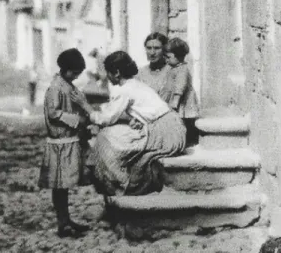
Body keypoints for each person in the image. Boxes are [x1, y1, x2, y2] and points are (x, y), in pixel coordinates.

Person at [71, 51, 187, 197]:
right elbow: (142, 111)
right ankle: (117, 179)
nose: (107, 76)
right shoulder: (135, 84)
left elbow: (106, 119)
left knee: (106, 137)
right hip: (173, 127)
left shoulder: (124, 90)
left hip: (166, 133)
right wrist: (136, 120)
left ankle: (120, 183)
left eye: (108, 72)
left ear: (117, 73)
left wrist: (85, 105)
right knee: (116, 135)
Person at [37, 48, 92, 238]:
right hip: (59, 144)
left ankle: (67, 220)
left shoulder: (68, 85)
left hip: (68, 141)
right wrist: (77, 120)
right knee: (59, 186)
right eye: (74, 73)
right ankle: (62, 223)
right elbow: (53, 113)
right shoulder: (55, 87)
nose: (76, 76)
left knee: (64, 185)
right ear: (66, 69)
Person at [163, 38, 200, 145]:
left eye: (169, 57)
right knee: (179, 120)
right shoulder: (173, 68)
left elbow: (180, 85)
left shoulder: (182, 69)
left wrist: (175, 100)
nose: (166, 60)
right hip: (177, 98)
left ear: (178, 57)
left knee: (185, 120)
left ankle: (189, 140)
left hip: (183, 99)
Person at [135, 32, 171, 102]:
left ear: (165, 50)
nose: (152, 53)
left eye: (157, 48)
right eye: (149, 48)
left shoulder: (173, 71)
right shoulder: (140, 74)